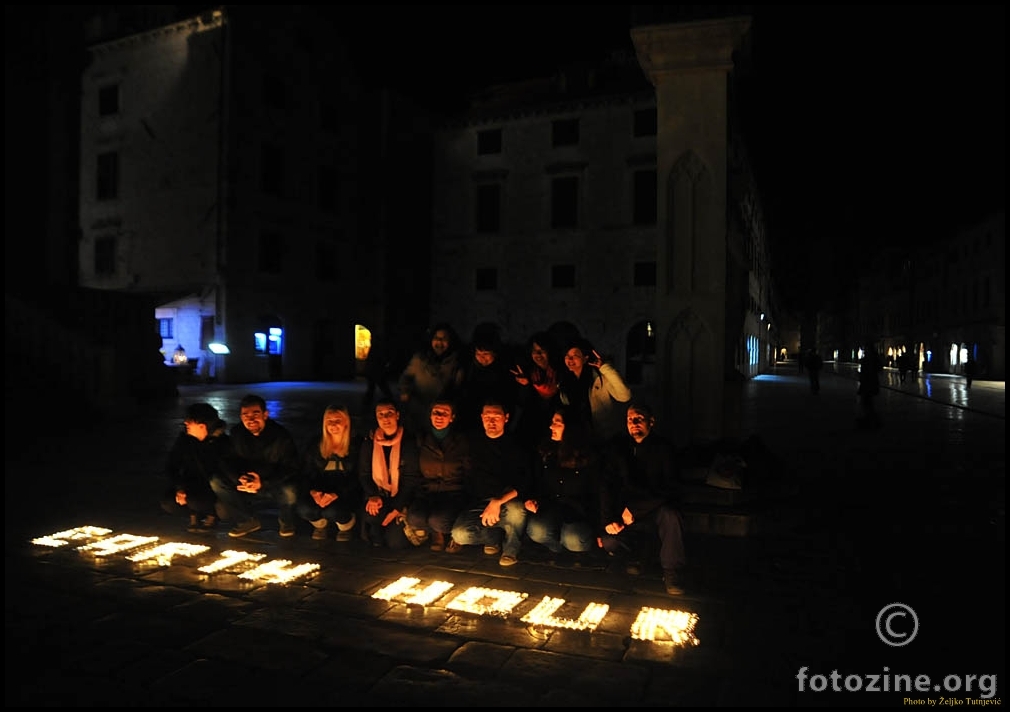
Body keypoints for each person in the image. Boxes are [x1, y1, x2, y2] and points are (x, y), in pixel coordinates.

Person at [600, 402, 687, 596]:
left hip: (654, 508)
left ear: (651, 421)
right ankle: (637, 557)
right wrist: (607, 520)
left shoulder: (664, 449)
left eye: (639, 418)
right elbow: (607, 484)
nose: (634, 423)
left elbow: (670, 488)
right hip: (626, 513)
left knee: (671, 516)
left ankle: (672, 571)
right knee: (609, 540)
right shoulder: (619, 448)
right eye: (630, 419)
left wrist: (636, 509)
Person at [524, 406, 612, 561]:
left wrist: (601, 528)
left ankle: (572, 546)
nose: (551, 426)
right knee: (536, 530)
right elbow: (539, 482)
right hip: (552, 507)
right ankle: (558, 547)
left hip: (580, 512)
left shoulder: (589, 456)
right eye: (552, 422)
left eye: (557, 423)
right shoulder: (548, 451)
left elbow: (600, 492)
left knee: (574, 539)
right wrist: (534, 499)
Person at [450, 398, 531, 566]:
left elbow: (524, 481)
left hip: (507, 501)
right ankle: (493, 536)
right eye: (487, 417)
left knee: (516, 511)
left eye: (496, 416)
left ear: (506, 418)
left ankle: (511, 548)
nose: (491, 421)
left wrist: (498, 501)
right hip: (480, 502)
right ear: (481, 417)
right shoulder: (472, 442)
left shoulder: (516, 445)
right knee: (460, 534)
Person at [210, 394, 302, 538]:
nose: (250, 419)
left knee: (290, 491)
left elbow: (291, 467)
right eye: (245, 415)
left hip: (272, 484)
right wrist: (240, 477)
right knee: (217, 483)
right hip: (246, 482)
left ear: (265, 415)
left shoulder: (281, 436)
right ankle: (246, 520)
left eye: (255, 414)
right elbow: (227, 460)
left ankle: (286, 520)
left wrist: (263, 482)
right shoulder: (237, 433)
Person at [358, 398, 423, 549]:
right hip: (380, 495)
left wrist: (397, 508)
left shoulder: (408, 442)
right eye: (380, 414)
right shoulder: (370, 442)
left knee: (396, 544)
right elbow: (364, 473)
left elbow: (410, 480)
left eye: (389, 413)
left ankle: (390, 526)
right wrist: (373, 495)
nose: (385, 418)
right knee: (372, 516)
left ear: (397, 415)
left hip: (402, 497)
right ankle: (376, 528)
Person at [408, 397, 471, 552]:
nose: (439, 417)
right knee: (415, 517)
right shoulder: (421, 439)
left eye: (444, 413)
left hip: (453, 492)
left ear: (452, 418)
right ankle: (435, 532)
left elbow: (470, 472)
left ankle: (450, 531)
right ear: (430, 415)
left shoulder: (462, 441)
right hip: (428, 492)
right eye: (436, 412)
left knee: (439, 520)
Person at [159, 402, 231, 533]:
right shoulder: (185, 440)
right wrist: (180, 487)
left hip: (212, 493)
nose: (185, 424)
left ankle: (212, 514)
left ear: (202, 426)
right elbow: (171, 465)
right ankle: (194, 514)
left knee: (196, 500)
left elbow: (222, 476)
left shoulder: (222, 444)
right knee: (169, 502)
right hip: (190, 486)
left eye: (189, 421)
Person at [296, 403, 363, 542]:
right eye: (329, 422)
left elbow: (359, 477)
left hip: (346, 492)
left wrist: (336, 494)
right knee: (304, 508)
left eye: (337, 421)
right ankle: (320, 524)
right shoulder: (315, 444)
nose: (333, 425)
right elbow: (307, 472)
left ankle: (346, 525)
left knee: (333, 511)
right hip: (321, 492)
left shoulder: (356, 445)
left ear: (346, 423)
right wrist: (314, 491)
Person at [559, 337, 633, 444]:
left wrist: (605, 367)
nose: (570, 360)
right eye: (567, 356)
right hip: (579, 439)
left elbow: (625, 395)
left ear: (585, 358)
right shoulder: (565, 382)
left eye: (575, 356)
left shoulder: (600, 377)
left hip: (606, 439)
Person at [398, 322, 466, 435]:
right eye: (436, 338)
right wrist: (405, 392)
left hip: (440, 416)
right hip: (417, 411)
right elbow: (406, 377)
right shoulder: (420, 359)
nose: (439, 342)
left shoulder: (456, 363)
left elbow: (458, 388)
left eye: (444, 338)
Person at [511, 331, 565, 449]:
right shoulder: (529, 373)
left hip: (555, 430)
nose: (538, 354)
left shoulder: (562, 373)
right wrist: (525, 385)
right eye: (534, 351)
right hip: (532, 428)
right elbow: (522, 403)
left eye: (542, 350)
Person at [458, 333, 519, 436]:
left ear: (494, 353)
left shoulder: (505, 371)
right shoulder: (469, 369)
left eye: (486, 354)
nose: (482, 358)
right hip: (474, 417)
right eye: (478, 354)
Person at [361, 334, 396, 413]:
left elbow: (371, 361)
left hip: (374, 372)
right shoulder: (378, 348)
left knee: (373, 389)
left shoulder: (374, 348)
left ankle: (366, 406)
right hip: (377, 372)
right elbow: (380, 360)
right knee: (381, 388)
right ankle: (391, 402)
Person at [857, 348, 882, 429]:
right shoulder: (875, 361)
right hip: (871, 383)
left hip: (867, 383)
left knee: (866, 402)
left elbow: (863, 372)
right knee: (868, 402)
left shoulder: (866, 361)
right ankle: (872, 419)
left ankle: (871, 419)